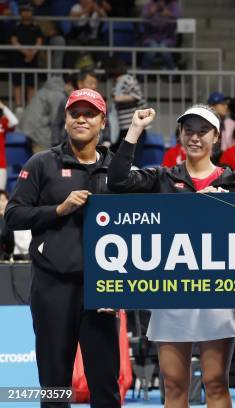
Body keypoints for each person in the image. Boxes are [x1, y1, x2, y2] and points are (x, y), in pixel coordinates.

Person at [107, 104, 235, 408]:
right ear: (180, 134)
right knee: (174, 385)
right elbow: (117, 181)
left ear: (216, 137)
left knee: (217, 383)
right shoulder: (162, 177)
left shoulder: (232, 182)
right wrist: (135, 129)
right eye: (188, 130)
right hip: (171, 291)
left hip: (216, 291)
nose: (195, 137)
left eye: (203, 131)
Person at [5, 88, 120, 407]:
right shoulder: (42, 163)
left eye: (90, 113)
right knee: (55, 387)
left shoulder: (117, 171)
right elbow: (13, 215)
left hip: (102, 291)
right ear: (66, 119)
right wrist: (58, 209)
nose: (81, 118)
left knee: (105, 386)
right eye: (75, 113)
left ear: (102, 122)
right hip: (53, 287)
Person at [51, 70, 111, 147]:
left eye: (95, 83)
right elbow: (57, 124)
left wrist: (107, 140)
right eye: (74, 114)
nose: (94, 86)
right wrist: (56, 144)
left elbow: (107, 122)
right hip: (69, 147)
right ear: (80, 83)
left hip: (96, 146)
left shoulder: (100, 102)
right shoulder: (67, 101)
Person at [106, 56, 147, 165]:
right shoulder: (116, 83)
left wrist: (118, 99)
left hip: (135, 126)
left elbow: (136, 95)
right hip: (122, 127)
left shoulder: (128, 79)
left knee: (134, 157)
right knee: (120, 155)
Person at [19, 76, 73, 153]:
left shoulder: (44, 91)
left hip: (29, 129)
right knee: (44, 159)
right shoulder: (57, 94)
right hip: (39, 131)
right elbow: (56, 119)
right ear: (68, 84)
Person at [9, 3, 43, 109]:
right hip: (18, 58)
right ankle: (19, 106)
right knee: (17, 83)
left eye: (29, 11)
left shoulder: (36, 27)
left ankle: (31, 106)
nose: (27, 13)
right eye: (24, 11)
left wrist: (32, 53)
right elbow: (13, 40)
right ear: (20, 13)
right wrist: (25, 52)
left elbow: (39, 41)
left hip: (32, 59)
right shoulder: (16, 26)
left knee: (31, 84)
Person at [141, 0, 183, 70]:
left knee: (163, 48)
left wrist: (170, 14)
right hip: (150, 38)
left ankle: (172, 72)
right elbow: (142, 17)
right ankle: (143, 74)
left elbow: (180, 17)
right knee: (153, 47)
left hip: (167, 38)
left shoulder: (173, 5)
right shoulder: (149, 4)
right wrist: (150, 13)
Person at [0, 100, 19, 189]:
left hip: (1, 164)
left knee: (1, 194)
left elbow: (14, 122)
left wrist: (3, 107)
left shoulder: (2, 122)